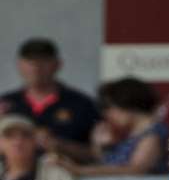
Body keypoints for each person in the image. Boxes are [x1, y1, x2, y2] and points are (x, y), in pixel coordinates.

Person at [0, 37, 101, 165]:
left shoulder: (81, 104)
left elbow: (97, 154)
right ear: (19, 65)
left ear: (57, 64)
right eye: (30, 61)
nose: (36, 68)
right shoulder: (6, 104)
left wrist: (59, 145)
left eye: (43, 61)